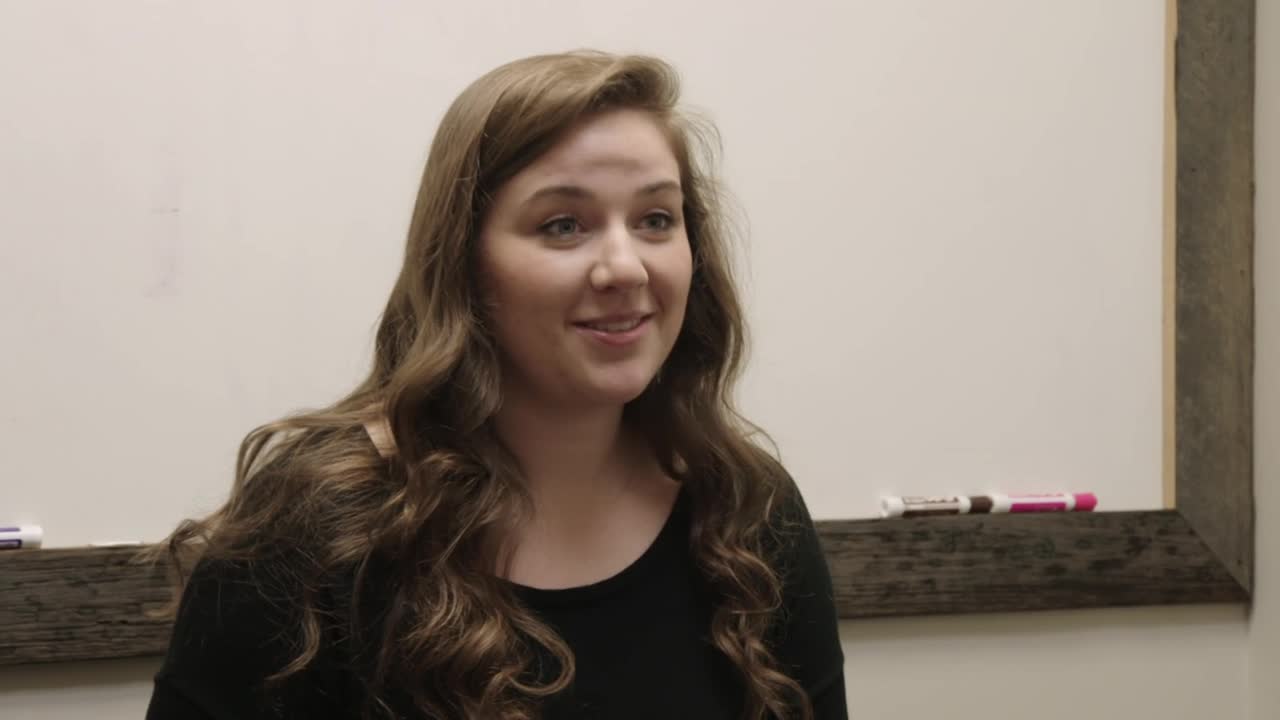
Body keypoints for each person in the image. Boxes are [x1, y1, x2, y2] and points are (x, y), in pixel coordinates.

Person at [143, 50, 846, 720]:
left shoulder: (747, 511)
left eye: (656, 219)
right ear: (464, 263)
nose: (627, 267)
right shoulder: (309, 533)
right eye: (563, 225)